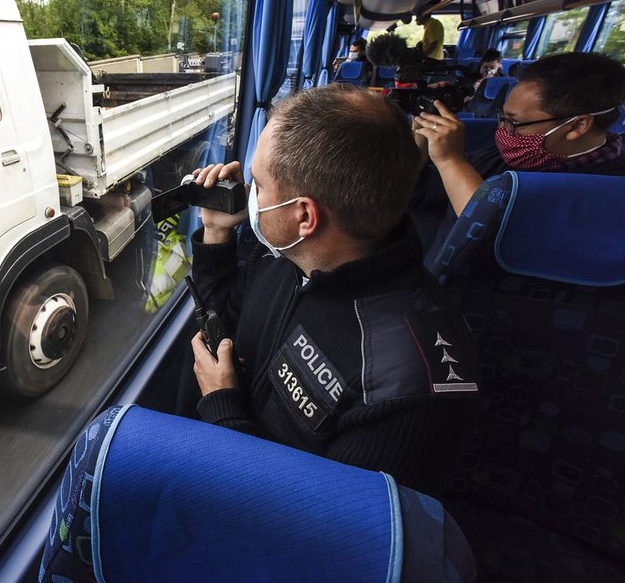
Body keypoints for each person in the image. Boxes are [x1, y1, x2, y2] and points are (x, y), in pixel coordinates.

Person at [188, 85, 481, 499]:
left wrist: (222, 410)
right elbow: (225, 323)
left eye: (258, 184)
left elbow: (319, 526)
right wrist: (217, 233)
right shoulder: (283, 258)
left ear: (303, 215)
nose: (248, 195)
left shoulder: (410, 387)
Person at [413, 52, 625, 223]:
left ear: (578, 125)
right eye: (503, 118)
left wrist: (451, 162)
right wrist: (422, 139)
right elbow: (422, 194)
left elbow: (491, 236)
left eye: (516, 122)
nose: (504, 131)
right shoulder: (504, 157)